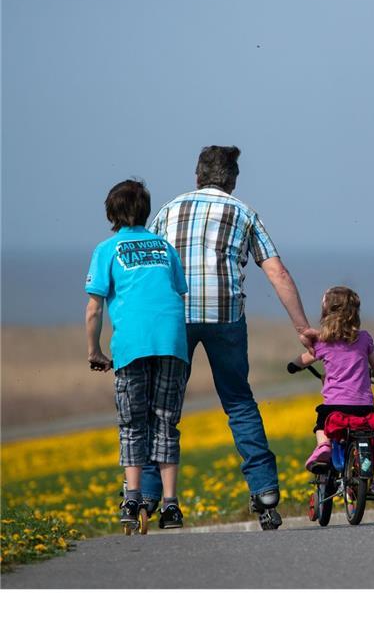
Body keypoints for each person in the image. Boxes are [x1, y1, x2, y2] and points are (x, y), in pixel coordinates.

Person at [142, 145, 317, 530]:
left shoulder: (168, 210)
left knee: (164, 407)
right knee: (238, 402)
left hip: (175, 317)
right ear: (233, 181)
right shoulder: (244, 213)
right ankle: (265, 492)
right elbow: (278, 273)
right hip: (225, 316)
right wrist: (303, 328)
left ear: (197, 176)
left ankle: (152, 496)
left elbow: (147, 269)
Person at [85, 179, 190, 531]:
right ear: (145, 211)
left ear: (111, 214)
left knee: (133, 423)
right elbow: (178, 292)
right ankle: (171, 506)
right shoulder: (164, 247)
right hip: (172, 343)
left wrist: (95, 351)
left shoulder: (107, 249)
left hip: (132, 345)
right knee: (165, 422)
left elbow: (94, 309)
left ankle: (132, 498)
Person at [290, 286, 374, 485]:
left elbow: (304, 359)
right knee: (366, 434)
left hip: (335, 406)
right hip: (364, 406)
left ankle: (324, 446)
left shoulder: (323, 341)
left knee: (321, 423)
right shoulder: (364, 338)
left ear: (326, 312)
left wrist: (294, 366)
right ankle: (367, 474)